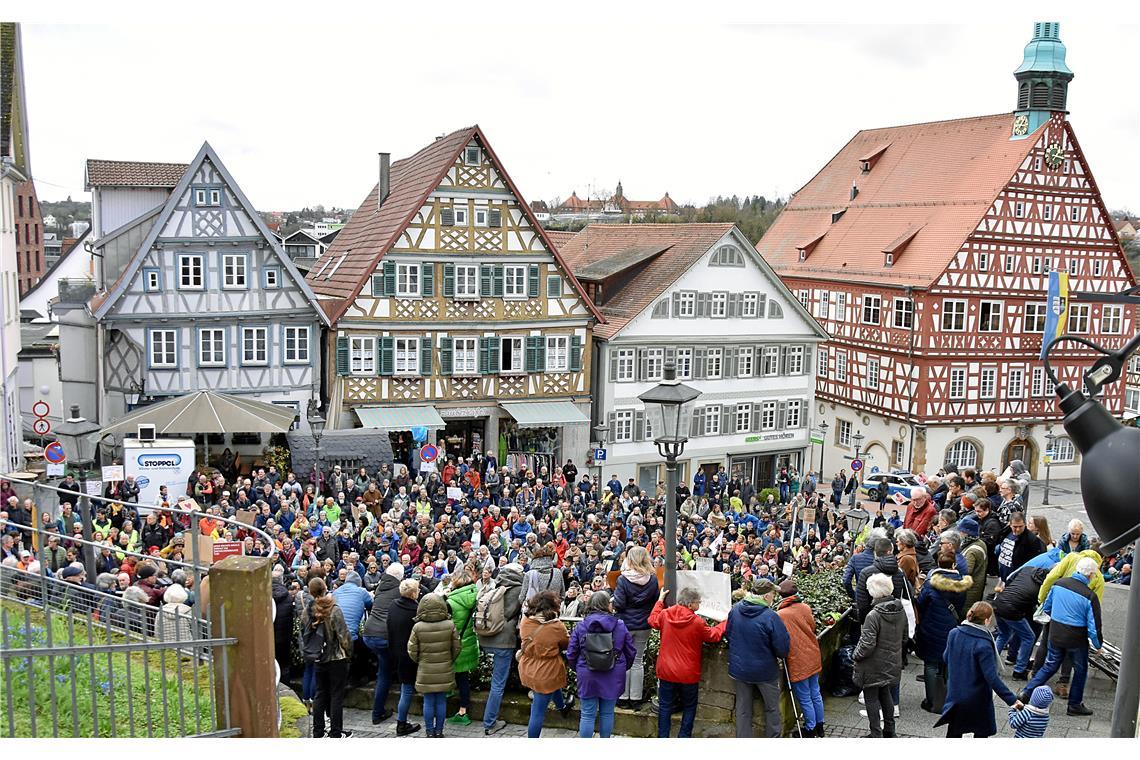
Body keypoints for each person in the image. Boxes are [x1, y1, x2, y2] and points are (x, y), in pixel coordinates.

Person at [1019, 556, 1102, 716]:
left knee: (1050, 665)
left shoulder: (1058, 584)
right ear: (1091, 575)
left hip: (1056, 633)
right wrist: (1098, 646)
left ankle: (1026, 693)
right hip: (1076, 639)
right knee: (1080, 670)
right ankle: (1074, 705)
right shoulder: (1090, 596)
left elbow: (1047, 607)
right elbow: (1094, 627)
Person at [937, 601, 1023, 738]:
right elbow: (992, 678)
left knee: (954, 731)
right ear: (987, 620)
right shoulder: (984, 644)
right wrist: (1012, 699)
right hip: (977, 698)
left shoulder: (954, 633)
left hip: (956, 694)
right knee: (981, 732)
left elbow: (946, 657)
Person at [649, 586, 726, 737]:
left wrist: (659, 601)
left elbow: (652, 620)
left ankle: (662, 737)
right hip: (688, 673)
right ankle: (683, 737)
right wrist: (725, 622)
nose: (700, 604)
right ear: (690, 604)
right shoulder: (697, 622)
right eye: (699, 602)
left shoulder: (665, 614)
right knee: (689, 706)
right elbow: (713, 636)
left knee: (665, 707)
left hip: (666, 670)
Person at [723, 578, 790, 738]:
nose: (774, 596)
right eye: (774, 593)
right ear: (766, 596)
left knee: (743, 709)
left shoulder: (735, 610)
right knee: (772, 708)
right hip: (764, 672)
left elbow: (729, 634)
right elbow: (782, 648)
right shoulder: (770, 616)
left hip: (740, 669)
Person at [566, 590, 636, 738]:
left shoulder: (581, 626)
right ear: (607, 605)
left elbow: (571, 653)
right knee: (607, 713)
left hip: (587, 673)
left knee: (587, 715)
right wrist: (621, 667)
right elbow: (631, 651)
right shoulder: (620, 625)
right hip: (613, 672)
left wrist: (579, 667)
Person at [915, 550, 970, 712]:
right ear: (954, 565)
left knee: (931, 664)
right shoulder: (962, 584)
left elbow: (921, 603)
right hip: (951, 627)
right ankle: (946, 697)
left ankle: (932, 701)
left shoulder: (931, 583)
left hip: (931, 627)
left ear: (938, 564)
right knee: (947, 663)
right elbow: (960, 606)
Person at [853, 573, 907, 738]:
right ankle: (890, 730)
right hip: (892, 661)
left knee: (871, 698)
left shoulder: (874, 615)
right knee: (885, 694)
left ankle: (876, 734)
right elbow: (905, 637)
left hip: (873, 665)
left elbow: (867, 645)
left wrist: (856, 655)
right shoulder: (900, 609)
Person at [477, 562, 524, 735]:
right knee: (498, 684)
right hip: (504, 642)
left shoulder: (495, 585)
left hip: (486, 637)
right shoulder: (519, 590)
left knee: (491, 682)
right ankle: (489, 723)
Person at [518, 590, 574, 737]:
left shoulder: (525, 620)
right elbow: (566, 644)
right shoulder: (556, 626)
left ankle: (562, 707)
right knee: (537, 713)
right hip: (546, 670)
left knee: (551, 688)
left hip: (528, 666)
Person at [303, 577, 353, 738]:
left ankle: (318, 731)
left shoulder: (308, 610)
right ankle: (336, 732)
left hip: (318, 656)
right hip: (336, 657)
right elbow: (343, 636)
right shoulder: (333, 609)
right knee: (336, 695)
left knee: (320, 694)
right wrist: (349, 653)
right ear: (325, 588)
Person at [408, 591, 461, 738]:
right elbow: (457, 647)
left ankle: (429, 732)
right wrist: (449, 659)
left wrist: (420, 660)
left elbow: (412, 650)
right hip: (445, 668)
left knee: (428, 701)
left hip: (425, 669)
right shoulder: (449, 625)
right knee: (441, 701)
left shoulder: (418, 627)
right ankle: (439, 731)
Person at [776, 579, 825, 737]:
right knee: (815, 692)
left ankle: (810, 729)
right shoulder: (805, 607)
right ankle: (820, 726)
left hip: (798, 658)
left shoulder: (780, 614)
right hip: (812, 653)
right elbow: (812, 626)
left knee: (804, 697)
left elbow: (780, 638)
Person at [613, 545, 658, 709]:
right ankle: (636, 698)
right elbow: (655, 601)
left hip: (625, 623)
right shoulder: (652, 578)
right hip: (644, 623)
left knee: (624, 659)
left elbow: (619, 603)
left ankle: (623, 697)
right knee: (638, 661)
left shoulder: (623, 579)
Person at [360, 562, 405, 724]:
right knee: (385, 673)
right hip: (383, 636)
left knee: (384, 665)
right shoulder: (399, 589)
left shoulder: (380, 586)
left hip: (369, 632)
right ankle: (377, 713)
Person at [993, 565, 1049, 680]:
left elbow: (1009, 580)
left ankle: (991, 664)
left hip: (998, 603)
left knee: (1003, 634)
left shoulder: (1028, 569)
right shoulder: (1041, 588)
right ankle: (1019, 670)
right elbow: (1036, 607)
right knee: (1029, 637)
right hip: (1012, 609)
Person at [386, 579, 423, 736]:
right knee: (407, 689)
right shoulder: (416, 610)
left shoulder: (393, 605)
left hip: (396, 652)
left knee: (405, 687)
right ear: (413, 593)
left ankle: (402, 722)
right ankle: (401, 724)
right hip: (410, 654)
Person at [444, 567, 480, 726]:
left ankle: (453, 710)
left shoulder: (451, 601)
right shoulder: (474, 595)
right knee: (463, 678)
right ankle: (463, 710)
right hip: (469, 642)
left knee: (448, 675)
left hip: (455, 644)